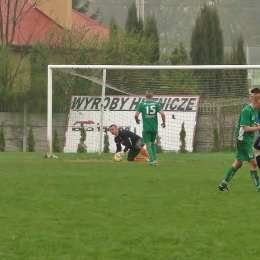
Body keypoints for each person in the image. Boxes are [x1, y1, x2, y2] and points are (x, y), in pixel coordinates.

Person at [218, 88, 260, 192]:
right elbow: (245, 128)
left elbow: (253, 124)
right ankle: (259, 187)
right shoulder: (247, 110)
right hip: (243, 140)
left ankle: (223, 185)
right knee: (253, 163)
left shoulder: (256, 110)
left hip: (247, 139)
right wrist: (258, 128)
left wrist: (257, 125)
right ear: (256, 100)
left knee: (238, 163)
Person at [134, 90, 166, 166]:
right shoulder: (156, 104)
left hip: (146, 128)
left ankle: (152, 162)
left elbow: (135, 115)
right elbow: (163, 114)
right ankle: (155, 160)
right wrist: (164, 123)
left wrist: (137, 120)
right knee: (153, 143)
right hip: (154, 127)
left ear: (145, 96)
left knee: (148, 144)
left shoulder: (142, 104)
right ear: (152, 96)